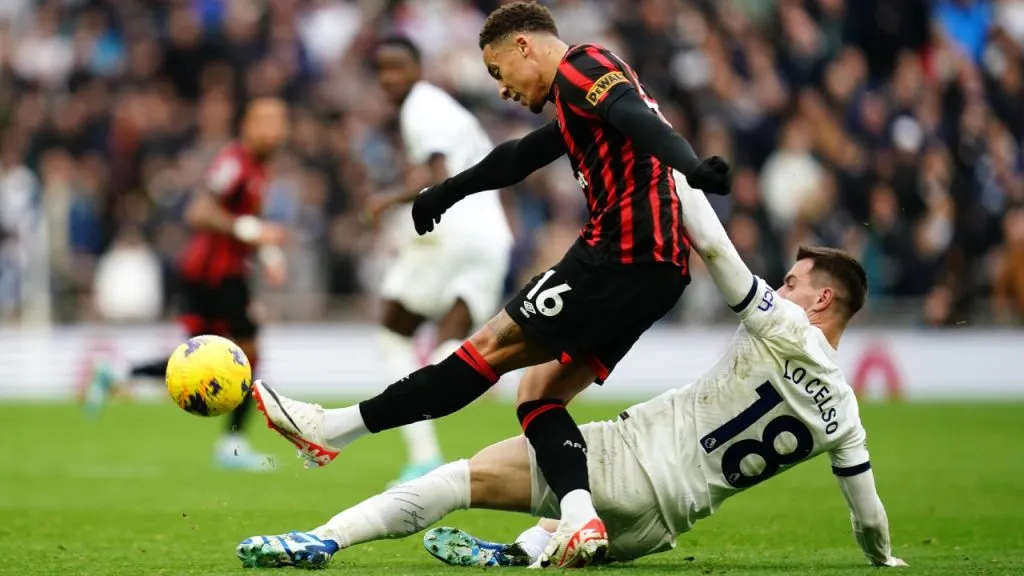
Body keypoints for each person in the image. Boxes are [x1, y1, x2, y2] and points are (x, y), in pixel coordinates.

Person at [250, 2, 730, 566]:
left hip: (619, 253)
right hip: (659, 271)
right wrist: (446, 192)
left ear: (524, 46)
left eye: (498, 71)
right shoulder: (581, 98)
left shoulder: (581, 66)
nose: (501, 89)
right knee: (538, 395)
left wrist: (691, 164)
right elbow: (520, 157)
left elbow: (636, 118)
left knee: (488, 349)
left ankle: (334, 429)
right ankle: (580, 520)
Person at [233, 174, 907, 571]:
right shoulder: (843, 414)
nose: (782, 291)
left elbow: (715, 248)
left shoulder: (787, 326)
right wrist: (885, 560)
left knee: (459, 474)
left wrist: (672, 170)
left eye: (792, 283)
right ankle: (526, 549)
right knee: (549, 422)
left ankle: (322, 539)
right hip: (657, 530)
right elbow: (867, 516)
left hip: (630, 461)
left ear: (822, 300)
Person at [84, 98, 291, 472]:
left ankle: (115, 373)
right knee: (246, 353)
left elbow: (247, 224)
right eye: (266, 121)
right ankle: (232, 447)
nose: (275, 131)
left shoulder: (259, 168)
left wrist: (269, 255)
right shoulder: (235, 162)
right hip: (213, 273)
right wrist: (254, 232)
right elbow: (199, 211)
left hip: (217, 272)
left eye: (280, 122)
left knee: (197, 359)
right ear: (247, 125)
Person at [360, 35, 514, 486]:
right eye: (382, 70)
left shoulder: (420, 108)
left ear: (417, 69)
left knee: (393, 331)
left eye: (398, 68)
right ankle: (488, 367)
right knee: (451, 340)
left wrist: (386, 199)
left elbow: (438, 175)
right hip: (491, 235)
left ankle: (423, 454)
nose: (389, 78)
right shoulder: (446, 108)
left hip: (453, 228)